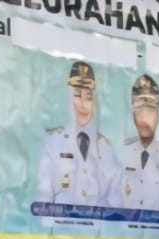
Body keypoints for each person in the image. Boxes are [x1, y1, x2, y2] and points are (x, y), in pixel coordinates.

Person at [38, 61, 117, 207]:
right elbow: (43, 199)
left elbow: (114, 200)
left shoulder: (104, 147)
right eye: (77, 95)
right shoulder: (53, 142)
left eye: (89, 97)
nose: (83, 104)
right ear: (69, 98)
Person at [109, 74, 159, 216]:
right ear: (133, 116)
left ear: (158, 116)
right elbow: (113, 203)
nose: (144, 119)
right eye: (139, 110)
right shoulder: (122, 153)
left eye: (150, 110)